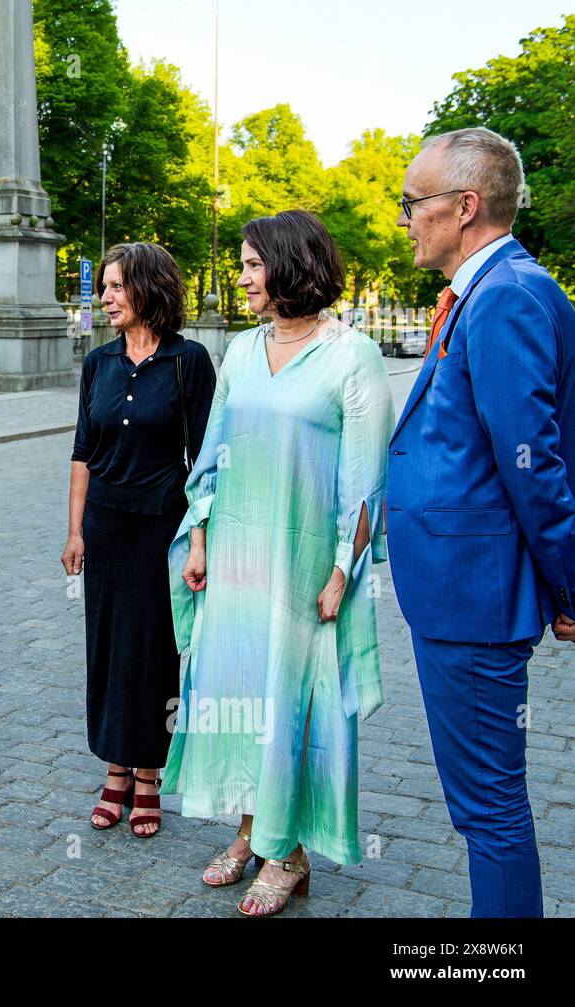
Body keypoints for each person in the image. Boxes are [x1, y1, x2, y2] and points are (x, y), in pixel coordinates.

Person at [167, 210, 394, 916]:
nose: (241, 277)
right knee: (237, 693)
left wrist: (340, 572)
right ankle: (247, 828)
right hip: (233, 557)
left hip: (301, 565)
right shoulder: (238, 350)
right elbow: (210, 453)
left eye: (252, 264)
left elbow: (365, 481)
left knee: (289, 702)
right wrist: (198, 535)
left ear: (292, 265)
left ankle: (287, 853)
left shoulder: (352, 354)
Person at [387, 127, 575, 918]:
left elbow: (536, 463)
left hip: (473, 597)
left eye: (412, 203)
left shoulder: (507, 297)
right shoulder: (495, 292)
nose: (405, 219)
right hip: (461, 593)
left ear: (465, 207)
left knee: (490, 809)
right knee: (483, 807)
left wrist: (568, 587)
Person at [62, 242, 214, 838]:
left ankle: (149, 773)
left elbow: (203, 461)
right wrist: (74, 531)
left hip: (161, 528)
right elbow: (82, 450)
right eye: (104, 286)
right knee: (105, 648)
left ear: (149, 289)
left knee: (152, 651)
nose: (105, 297)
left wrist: (199, 540)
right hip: (105, 526)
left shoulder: (188, 361)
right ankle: (115, 766)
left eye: (117, 286)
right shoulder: (98, 363)